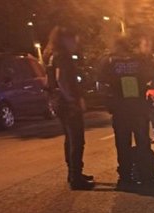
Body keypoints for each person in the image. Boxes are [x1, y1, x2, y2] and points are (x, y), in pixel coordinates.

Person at [99, 36, 154, 188]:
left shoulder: (109, 62)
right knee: (143, 142)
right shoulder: (139, 60)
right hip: (138, 108)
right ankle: (146, 175)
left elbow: (101, 84)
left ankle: (125, 176)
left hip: (120, 109)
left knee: (122, 143)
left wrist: (109, 101)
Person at [44, 26, 94, 190]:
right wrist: (73, 99)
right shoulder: (63, 56)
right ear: (65, 39)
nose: (76, 43)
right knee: (77, 139)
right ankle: (76, 177)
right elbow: (62, 79)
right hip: (67, 102)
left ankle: (73, 173)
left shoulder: (50, 54)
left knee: (69, 138)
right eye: (74, 40)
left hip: (57, 100)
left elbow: (50, 79)